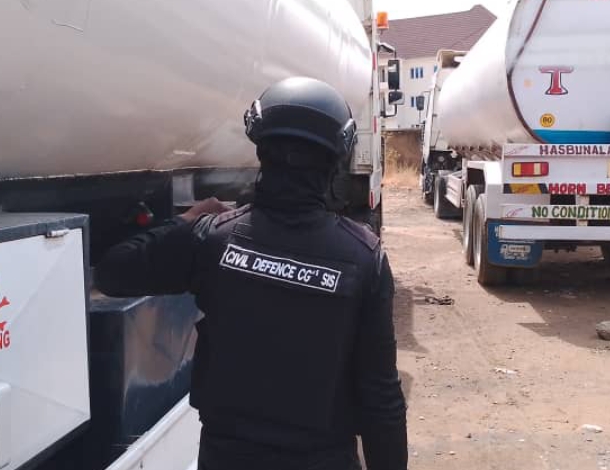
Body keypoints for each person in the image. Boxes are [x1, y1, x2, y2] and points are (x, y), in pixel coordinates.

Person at [95, 76, 408, 470]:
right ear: (336, 160)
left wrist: (186, 221)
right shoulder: (364, 259)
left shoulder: (212, 240)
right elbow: (381, 399)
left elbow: (113, 272)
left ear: (261, 148)